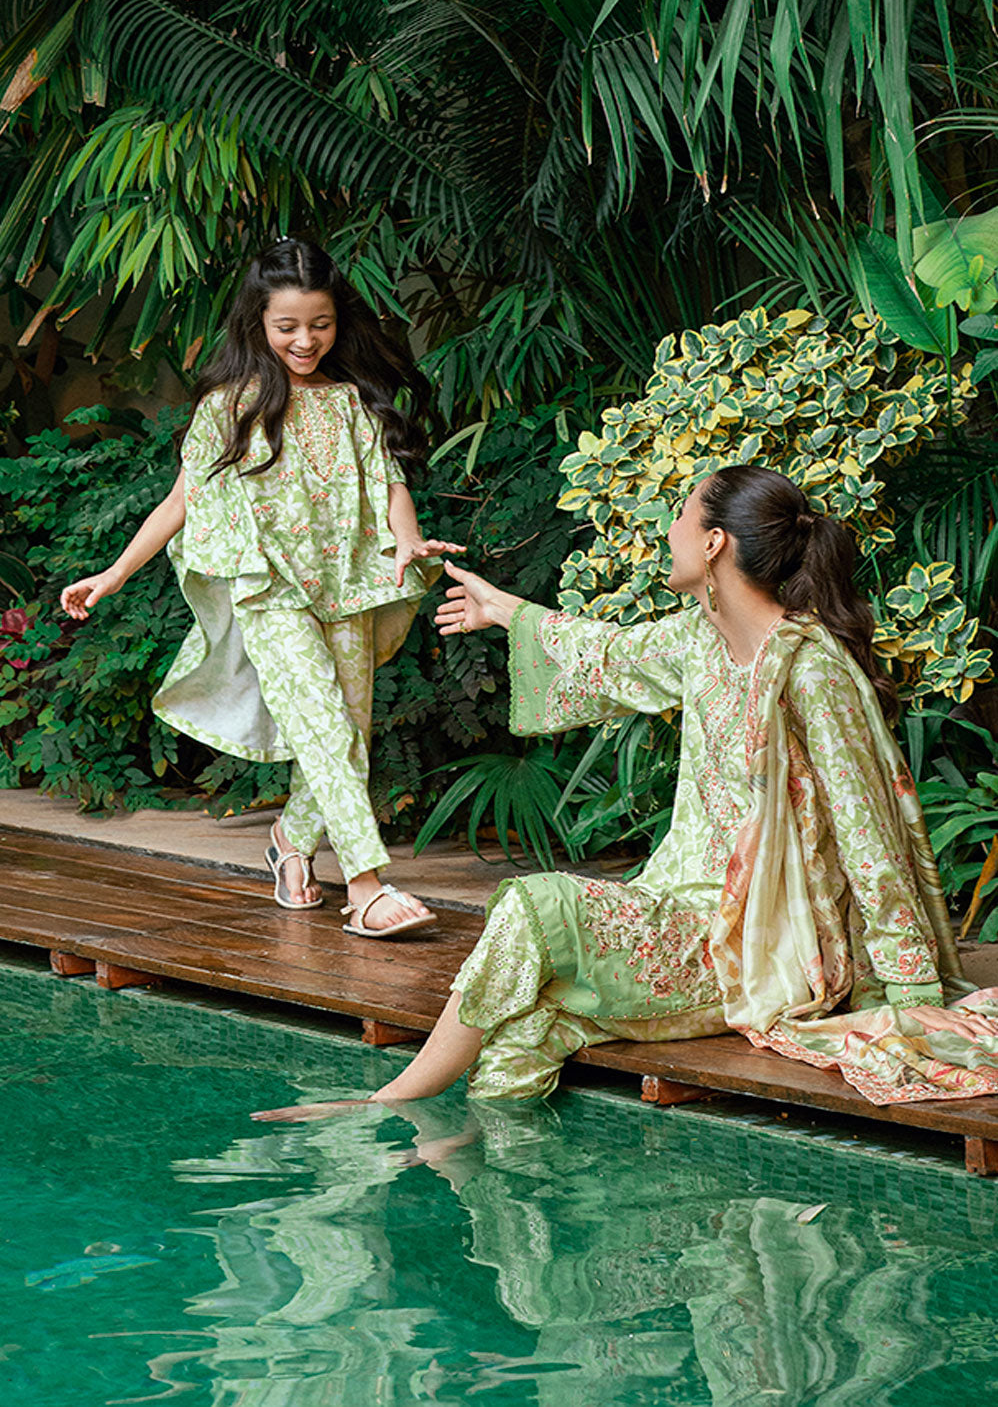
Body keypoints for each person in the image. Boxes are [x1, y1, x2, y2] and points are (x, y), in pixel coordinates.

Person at [254, 463, 998, 1117]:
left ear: (715, 544)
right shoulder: (699, 639)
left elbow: (869, 840)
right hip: (682, 906)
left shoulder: (809, 670)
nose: (669, 532)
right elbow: (608, 654)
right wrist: (500, 608)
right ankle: (469, 1160)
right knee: (527, 1030)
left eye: (681, 516)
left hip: (774, 951)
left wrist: (911, 996)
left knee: (536, 904)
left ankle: (392, 1102)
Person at [61, 239, 464, 937]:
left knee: (348, 735)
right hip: (270, 591)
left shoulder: (352, 402)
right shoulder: (229, 407)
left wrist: (407, 541)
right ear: (258, 323)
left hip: (348, 585)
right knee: (325, 726)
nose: (306, 340)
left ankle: (289, 841)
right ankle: (366, 886)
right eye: (287, 327)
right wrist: (114, 573)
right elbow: (181, 501)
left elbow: (391, 486)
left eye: (320, 324)